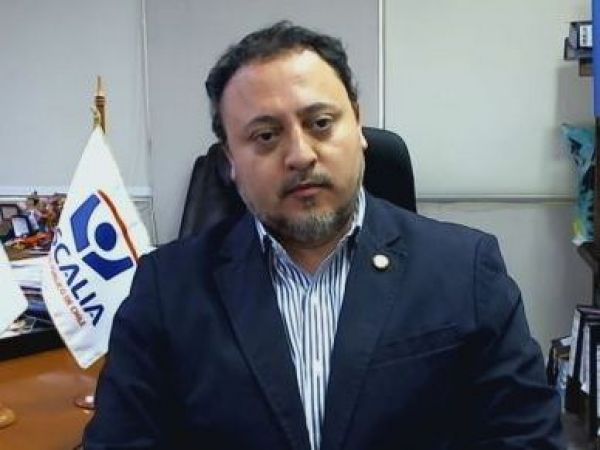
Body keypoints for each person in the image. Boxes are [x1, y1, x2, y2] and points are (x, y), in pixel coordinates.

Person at [83, 21, 564, 449]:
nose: (300, 155)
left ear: (358, 126)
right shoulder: (167, 289)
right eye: (265, 136)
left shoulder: (465, 269)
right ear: (229, 161)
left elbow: (527, 438)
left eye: (320, 123)